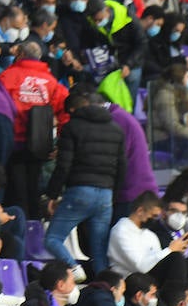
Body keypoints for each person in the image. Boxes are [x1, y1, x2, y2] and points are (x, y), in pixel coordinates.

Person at [43, 86, 126, 272]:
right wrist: (113, 195)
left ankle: (73, 267)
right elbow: (122, 167)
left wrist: (51, 195)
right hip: (106, 194)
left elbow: (63, 165)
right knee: (99, 252)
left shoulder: (72, 127)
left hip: (79, 191)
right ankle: (105, 288)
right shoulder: (116, 129)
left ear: (73, 110)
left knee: (52, 239)